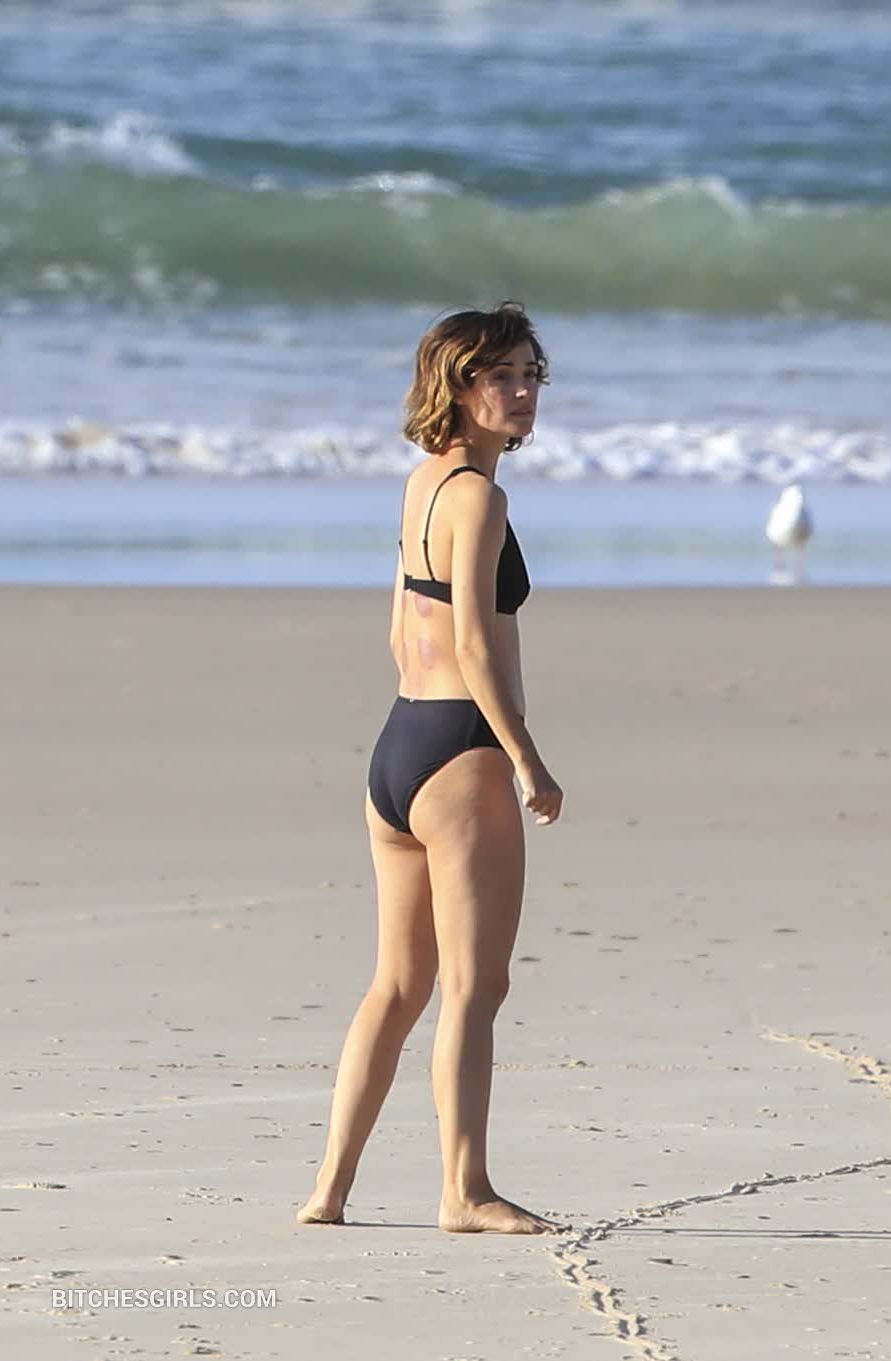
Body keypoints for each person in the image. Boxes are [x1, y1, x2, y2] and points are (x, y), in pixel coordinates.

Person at [299, 303, 566, 1234]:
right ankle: (465, 1190)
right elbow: (476, 645)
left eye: (532, 374)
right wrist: (525, 757)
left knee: (397, 984)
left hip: (400, 746)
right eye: (502, 377)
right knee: (473, 988)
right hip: (461, 752)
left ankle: (329, 1188)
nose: (523, 392)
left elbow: (399, 625)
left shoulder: (423, 484)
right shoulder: (481, 500)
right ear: (456, 386)